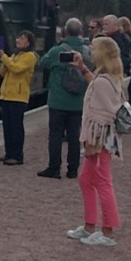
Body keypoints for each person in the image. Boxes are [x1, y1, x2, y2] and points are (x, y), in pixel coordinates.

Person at [66, 36, 125, 246]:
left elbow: (105, 115)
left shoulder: (103, 80)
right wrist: (82, 68)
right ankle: (90, 225)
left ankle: (107, 232)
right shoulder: (107, 77)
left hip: (99, 139)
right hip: (102, 138)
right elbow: (97, 87)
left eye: (93, 47)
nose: (90, 49)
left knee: (102, 182)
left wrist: (92, 143)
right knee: (87, 180)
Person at [37, 18, 87, 178]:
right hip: (78, 101)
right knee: (74, 135)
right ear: (81, 32)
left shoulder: (57, 51)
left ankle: (54, 168)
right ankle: (73, 169)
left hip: (58, 100)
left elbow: (43, 62)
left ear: (65, 31)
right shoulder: (86, 50)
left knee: (55, 135)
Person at [0, 30, 38, 164]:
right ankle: (9, 152)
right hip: (7, 95)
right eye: (18, 38)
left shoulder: (30, 56)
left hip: (18, 96)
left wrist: (3, 56)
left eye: (22, 38)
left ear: (29, 42)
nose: (18, 40)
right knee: (7, 126)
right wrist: (6, 59)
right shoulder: (15, 55)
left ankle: (18, 155)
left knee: (16, 126)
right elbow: (2, 71)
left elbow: (17, 69)